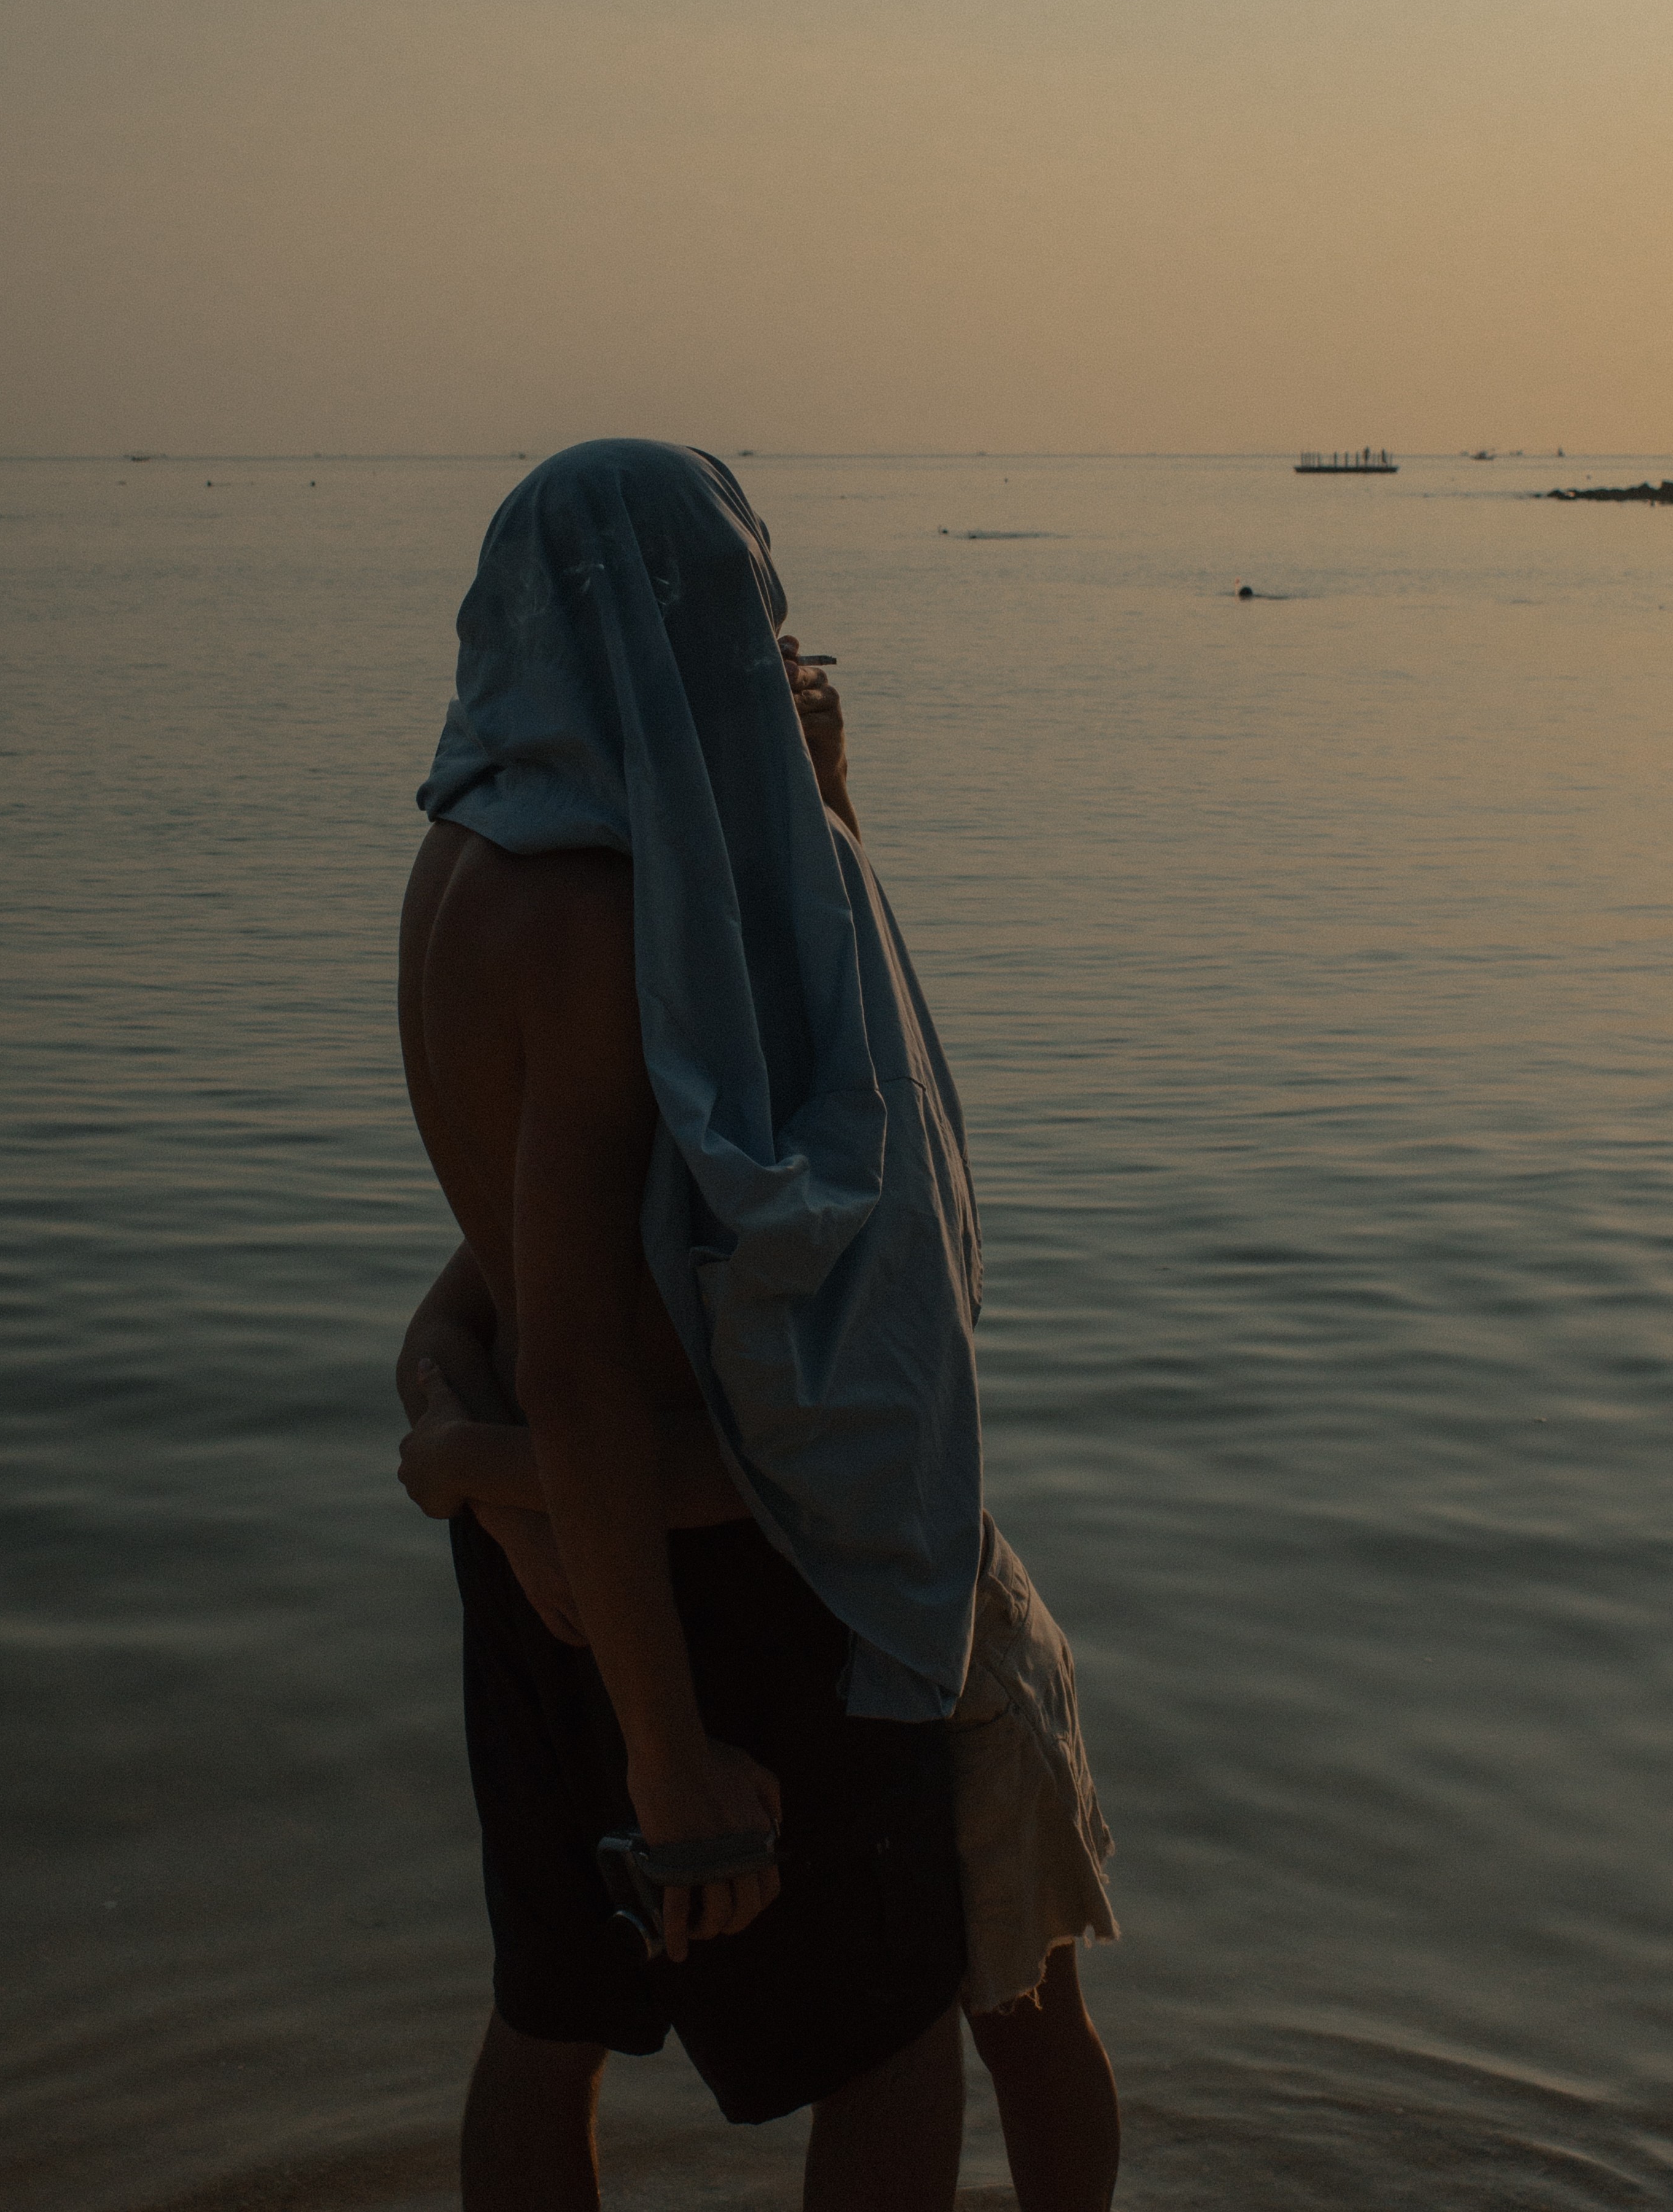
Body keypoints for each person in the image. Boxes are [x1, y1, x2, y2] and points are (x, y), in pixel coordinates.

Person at [396, 441, 1117, 2210]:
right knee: (887, 2051)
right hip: (704, 1590)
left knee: (551, 2023)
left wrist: (472, 1464)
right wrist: (666, 1746)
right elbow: (579, 1354)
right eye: (739, 602)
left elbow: (494, 1283)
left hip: (560, 1555)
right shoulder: (597, 915)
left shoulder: (466, 865)